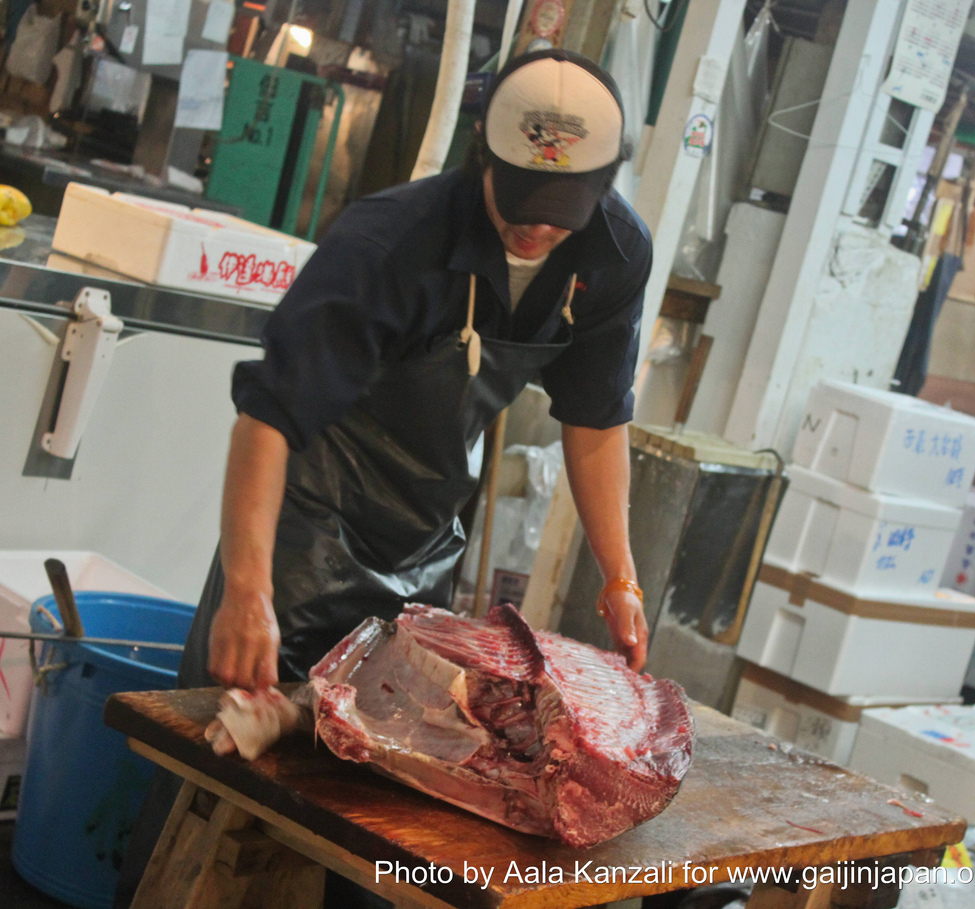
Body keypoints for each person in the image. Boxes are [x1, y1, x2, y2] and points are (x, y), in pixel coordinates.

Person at [115, 47, 652, 909]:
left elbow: (594, 420)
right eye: (519, 202)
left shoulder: (613, 253)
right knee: (227, 794)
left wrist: (620, 574)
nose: (535, 230)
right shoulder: (389, 242)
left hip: (424, 542)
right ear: (483, 154)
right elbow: (268, 418)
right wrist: (247, 590)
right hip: (303, 536)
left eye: (560, 213)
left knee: (380, 812)